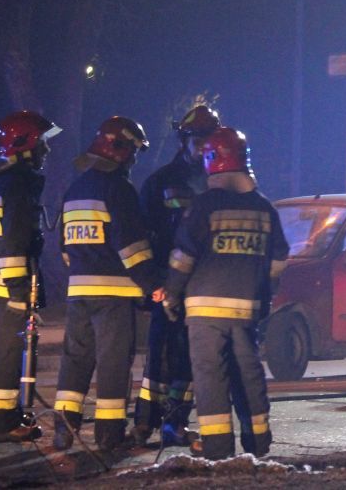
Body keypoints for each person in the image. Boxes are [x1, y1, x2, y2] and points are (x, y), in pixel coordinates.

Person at [163, 127, 289, 460]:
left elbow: (183, 257)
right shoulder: (264, 208)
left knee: (210, 377)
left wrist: (171, 295)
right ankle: (258, 443)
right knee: (249, 374)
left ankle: (218, 449)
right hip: (246, 309)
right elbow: (279, 258)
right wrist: (265, 295)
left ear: (211, 160)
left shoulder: (204, 206)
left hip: (204, 311)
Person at [54, 116, 159, 451]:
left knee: (76, 359)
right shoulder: (119, 189)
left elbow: (64, 247)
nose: (135, 159)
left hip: (78, 291)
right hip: (114, 294)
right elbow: (132, 248)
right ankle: (109, 435)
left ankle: (63, 428)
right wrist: (152, 284)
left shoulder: (75, 190)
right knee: (113, 363)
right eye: (134, 151)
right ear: (121, 148)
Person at [133, 105, 221, 446]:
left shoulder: (218, 182)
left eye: (209, 142)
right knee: (159, 354)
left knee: (187, 359)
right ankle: (144, 423)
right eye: (198, 141)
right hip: (167, 283)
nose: (203, 149)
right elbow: (143, 235)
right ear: (184, 141)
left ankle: (175, 424)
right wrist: (154, 282)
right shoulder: (161, 182)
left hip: (202, 286)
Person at [0, 111, 60, 442]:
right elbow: (12, 244)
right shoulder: (17, 186)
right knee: (7, 356)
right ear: (25, 145)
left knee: (4, 354)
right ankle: (1, 425)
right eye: (42, 144)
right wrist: (19, 293)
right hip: (6, 287)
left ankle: (6, 417)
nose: (46, 150)